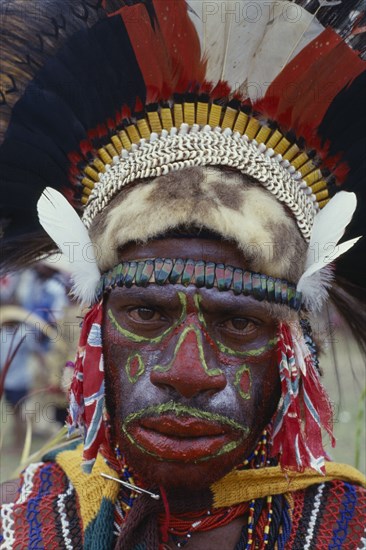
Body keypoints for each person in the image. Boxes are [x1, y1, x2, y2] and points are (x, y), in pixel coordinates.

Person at [0, 1, 365, 548]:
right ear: (97, 332)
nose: (188, 371)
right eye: (145, 313)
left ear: (291, 351)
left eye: (239, 322)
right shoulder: (19, 522)